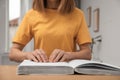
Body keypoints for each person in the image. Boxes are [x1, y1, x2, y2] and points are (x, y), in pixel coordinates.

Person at [9, 0, 92, 63]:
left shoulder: (78, 15)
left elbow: (87, 53)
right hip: (40, 73)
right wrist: (27, 55)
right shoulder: (31, 15)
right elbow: (13, 53)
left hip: (67, 73)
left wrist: (69, 55)